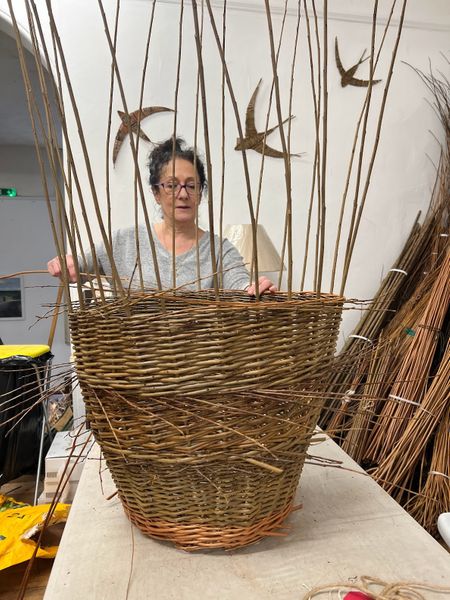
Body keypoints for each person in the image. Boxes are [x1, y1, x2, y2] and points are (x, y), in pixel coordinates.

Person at [48, 138, 277, 295]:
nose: (183, 194)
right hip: (130, 362)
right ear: (156, 193)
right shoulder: (124, 242)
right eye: (171, 185)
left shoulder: (220, 250)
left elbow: (240, 285)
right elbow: (77, 269)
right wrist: (66, 265)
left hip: (198, 364)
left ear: (200, 192)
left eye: (191, 185)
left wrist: (254, 289)